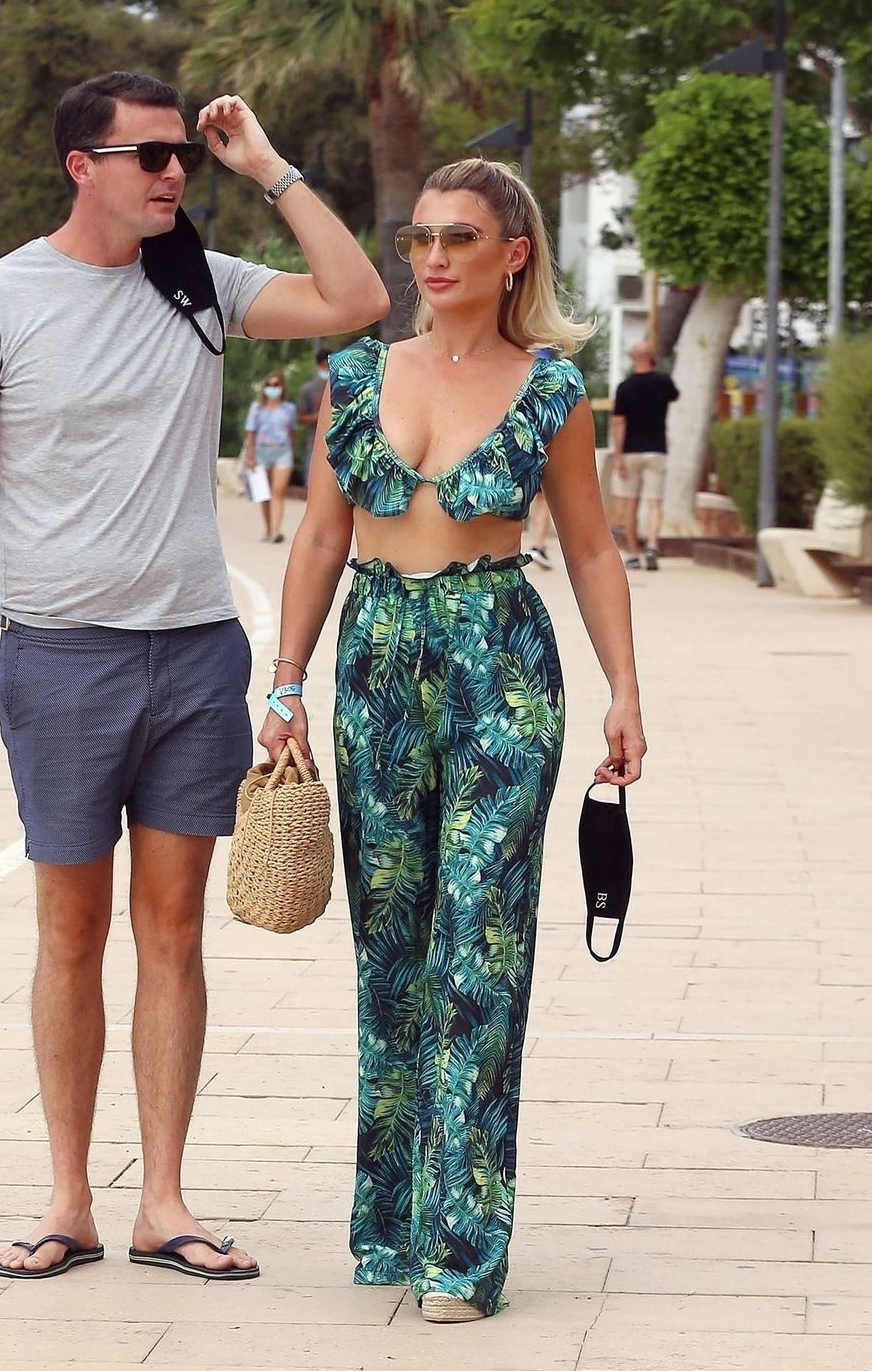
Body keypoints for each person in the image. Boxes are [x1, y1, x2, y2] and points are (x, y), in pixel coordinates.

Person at [0, 72, 387, 1286]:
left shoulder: (202, 283)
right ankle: (68, 1200)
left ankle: (163, 1203)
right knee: (71, 928)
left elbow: (358, 297)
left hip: (194, 653)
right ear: (83, 166)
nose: (174, 171)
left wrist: (267, 169)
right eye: (151, 155)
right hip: (60, 656)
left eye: (183, 153)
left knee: (173, 930)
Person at [258, 158, 645, 1323]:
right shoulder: (356, 375)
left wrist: (625, 689)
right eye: (420, 236)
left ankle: (463, 1248)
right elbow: (321, 540)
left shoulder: (553, 389)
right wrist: (284, 682)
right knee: (392, 949)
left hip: (502, 666)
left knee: (479, 946)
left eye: (460, 237)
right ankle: (392, 1222)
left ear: (513, 254)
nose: (432, 257)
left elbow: (589, 547)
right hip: (374, 661)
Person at [608, 341, 678, 571]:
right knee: (654, 502)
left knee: (630, 503)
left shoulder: (625, 387)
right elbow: (674, 396)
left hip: (631, 450)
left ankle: (633, 553)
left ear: (632, 359)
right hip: (657, 449)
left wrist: (618, 455)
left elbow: (618, 423)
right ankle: (652, 545)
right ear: (652, 358)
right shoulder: (664, 382)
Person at [243, 370, 299, 542]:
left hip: (282, 451)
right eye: (269, 385)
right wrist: (250, 457)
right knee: (264, 494)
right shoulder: (257, 408)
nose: (272, 388)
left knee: (278, 491)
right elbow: (250, 433)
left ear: (282, 387)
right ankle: (268, 528)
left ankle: (276, 531)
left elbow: (292, 431)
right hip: (261, 451)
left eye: (276, 385)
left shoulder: (289, 409)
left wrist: (291, 450)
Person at [296, 346, 331, 482]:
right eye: (324, 365)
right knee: (313, 482)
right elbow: (300, 417)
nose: (327, 369)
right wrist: (320, 416)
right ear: (318, 366)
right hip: (315, 444)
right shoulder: (309, 390)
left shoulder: (342, 386)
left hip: (340, 443)